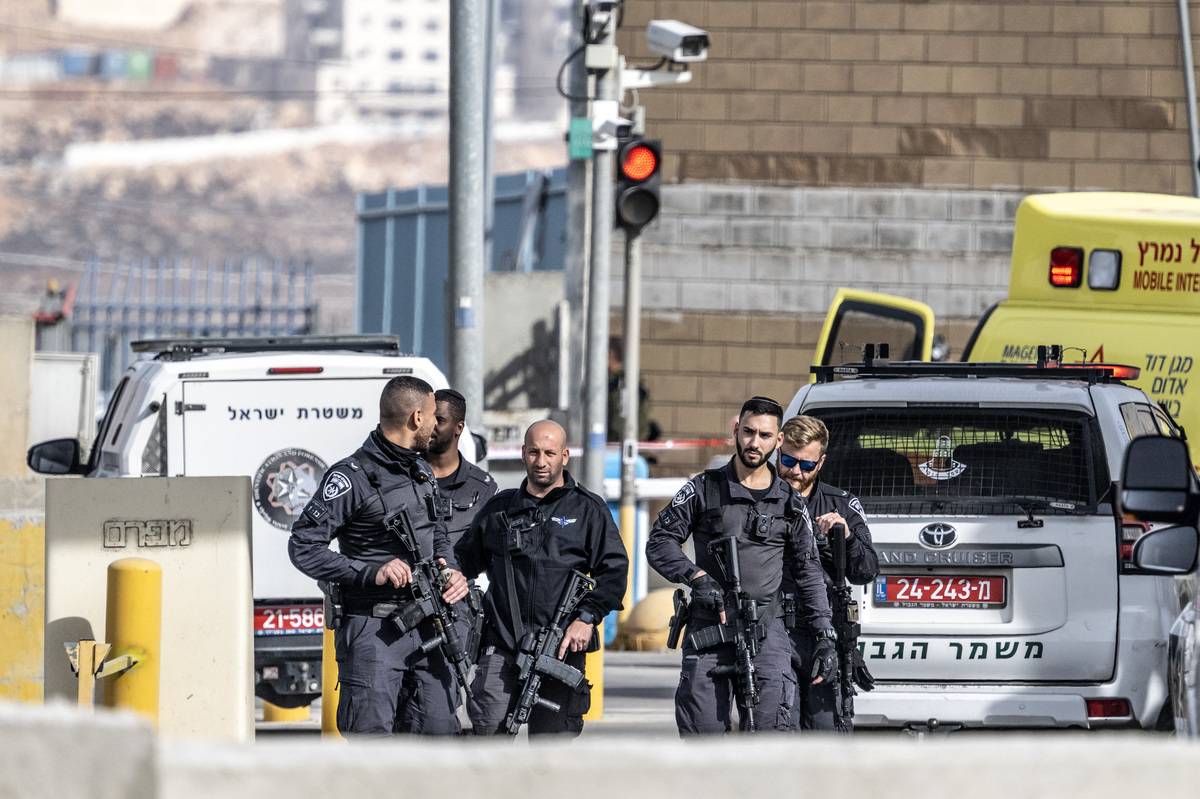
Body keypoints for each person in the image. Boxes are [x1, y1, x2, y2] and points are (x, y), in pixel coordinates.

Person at [288, 375, 469, 737]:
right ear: (417, 417)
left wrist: (449, 567)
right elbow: (303, 546)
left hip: (430, 625)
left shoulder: (421, 470)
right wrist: (372, 572)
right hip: (375, 630)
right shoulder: (351, 477)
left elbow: (440, 531)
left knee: (439, 735)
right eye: (434, 415)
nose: (436, 424)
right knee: (372, 747)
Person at [647, 396, 836, 735]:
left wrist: (824, 633)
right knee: (702, 732)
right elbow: (660, 541)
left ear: (778, 441)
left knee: (771, 734)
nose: (754, 442)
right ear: (736, 430)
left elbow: (809, 571)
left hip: (767, 629)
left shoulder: (791, 503)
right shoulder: (703, 489)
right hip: (711, 627)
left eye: (765, 435)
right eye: (748, 432)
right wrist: (696, 576)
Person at [455, 419, 629, 737]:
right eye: (534, 452)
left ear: (564, 456)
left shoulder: (588, 510)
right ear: (523, 453)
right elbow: (462, 562)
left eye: (550, 453)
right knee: (488, 739)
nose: (541, 461)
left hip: (560, 648)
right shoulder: (500, 510)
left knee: (553, 749)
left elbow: (614, 572)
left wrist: (587, 617)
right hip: (503, 647)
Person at [777, 415, 879, 732]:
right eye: (788, 461)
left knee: (825, 731)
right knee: (780, 726)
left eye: (806, 465)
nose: (795, 472)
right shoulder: (760, 499)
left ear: (821, 462)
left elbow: (867, 570)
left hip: (825, 634)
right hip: (775, 630)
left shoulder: (841, 503)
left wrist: (845, 536)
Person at [425, 387, 497, 731]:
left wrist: (460, 575)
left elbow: (491, 551)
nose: (430, 425)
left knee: (441, 704)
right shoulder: (405, 478)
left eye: (440, 419)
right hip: (408, 601)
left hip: (457, 611)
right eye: (427, 418)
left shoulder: (483, 488)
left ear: (458, 427)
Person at [606, 337, 657, 443]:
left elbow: (619, 423)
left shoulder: (621, 385)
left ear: (609, 355)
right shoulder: (629, 381)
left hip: (619, 449)